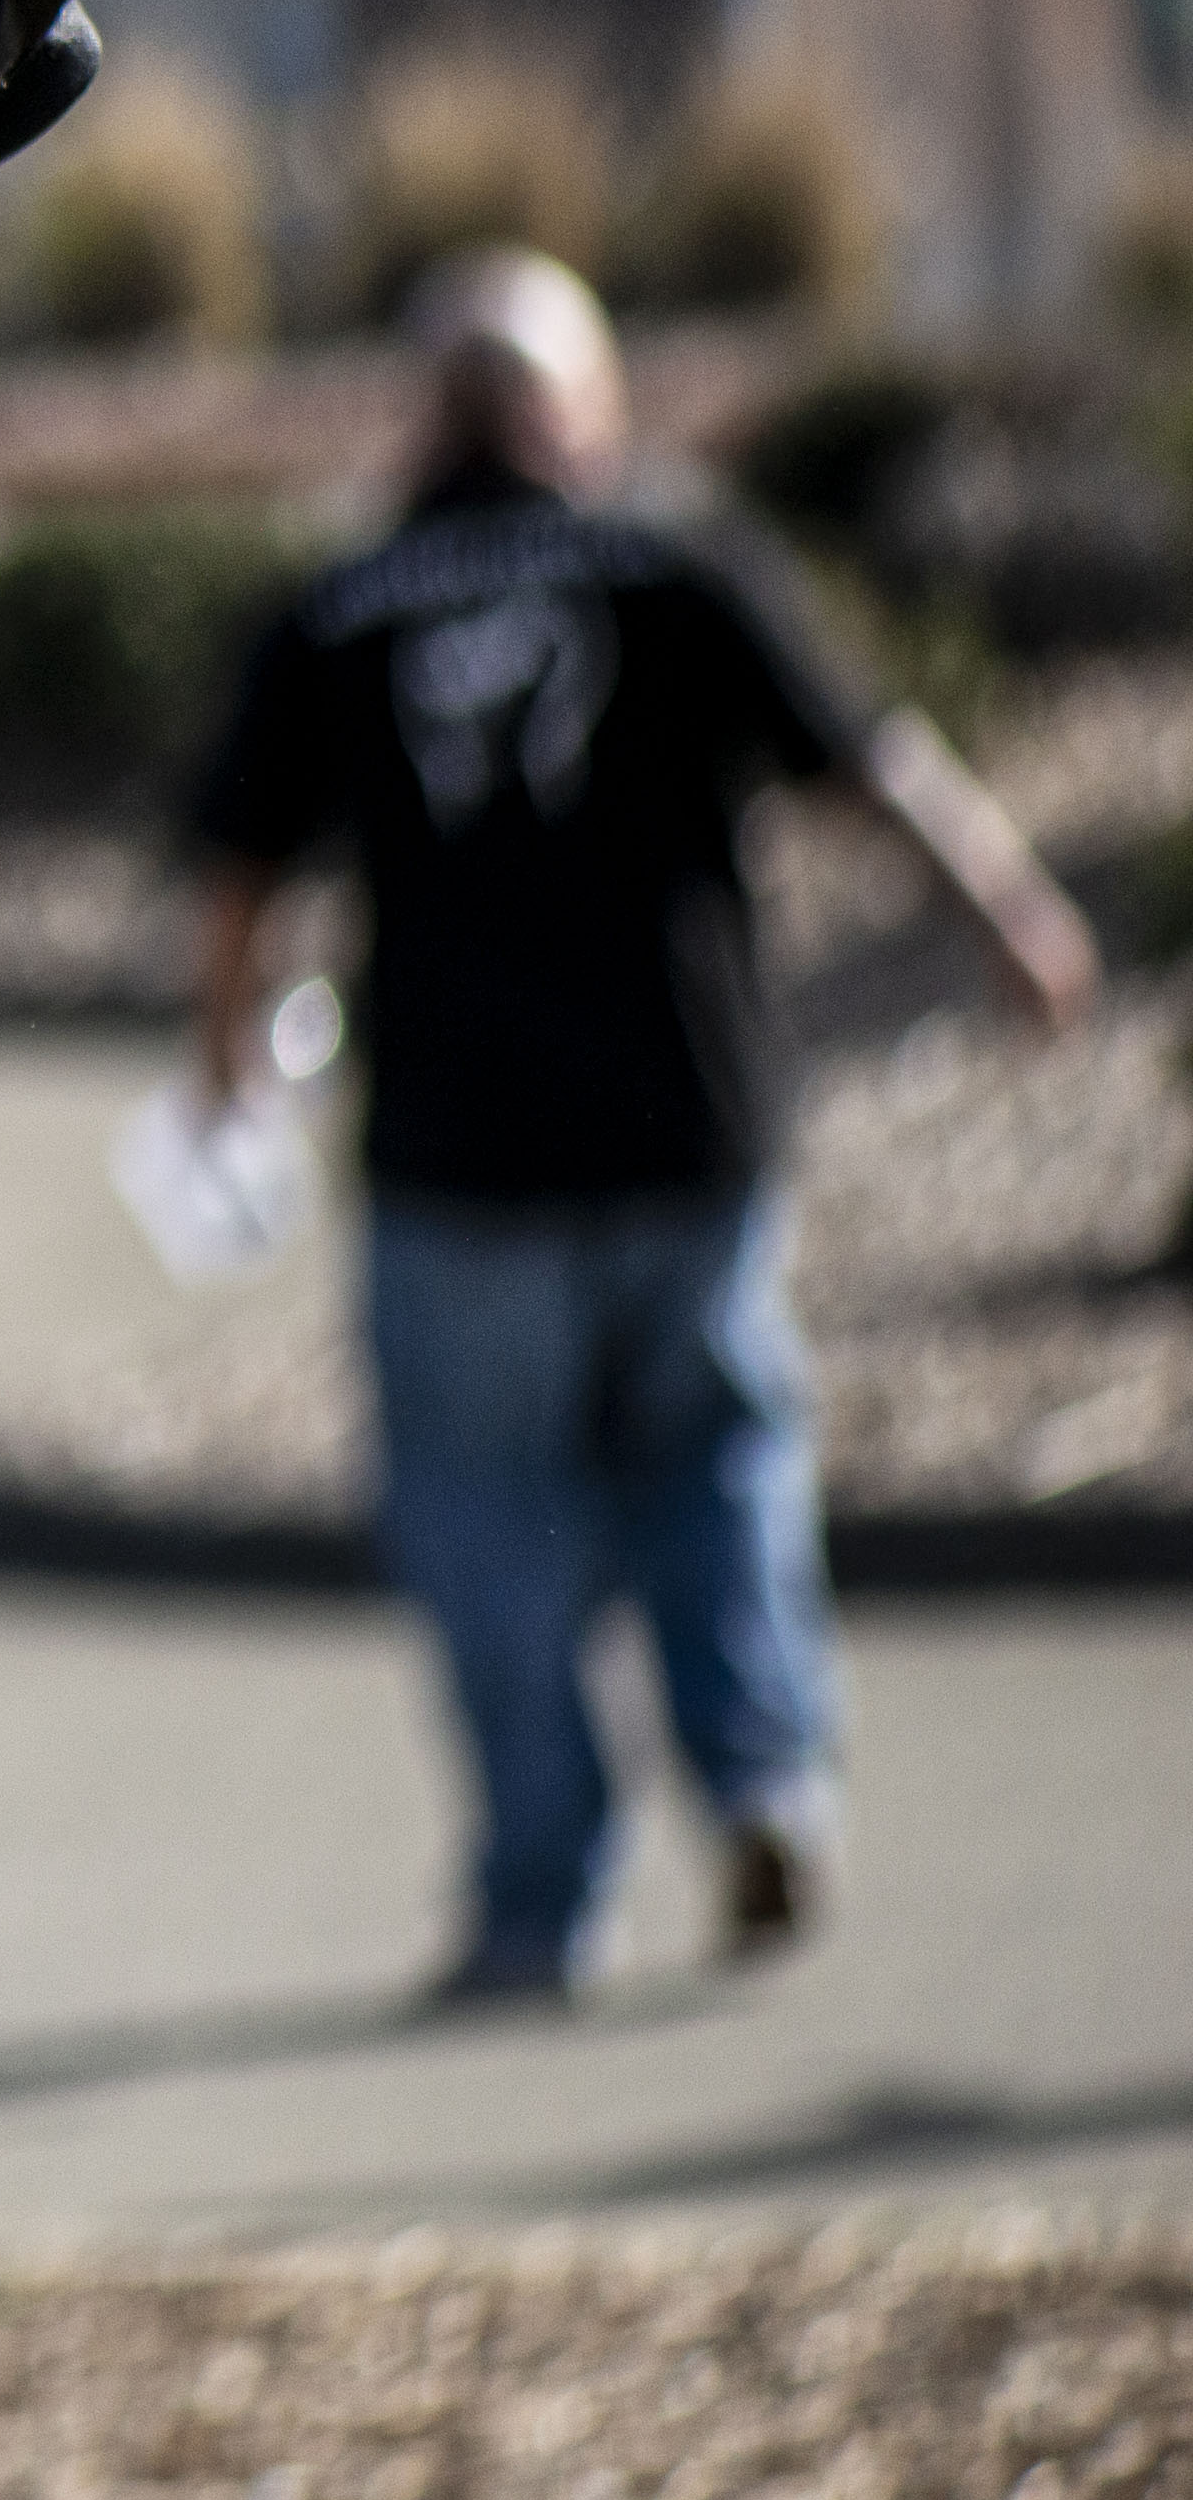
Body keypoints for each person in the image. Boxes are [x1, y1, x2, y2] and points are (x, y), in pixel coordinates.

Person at [176, 243, 1099, 2002]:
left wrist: (226, 1063)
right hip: (690, 1127)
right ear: (581, 413)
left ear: (427, 420)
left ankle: (541, 1901)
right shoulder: (679, 565)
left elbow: (242, 874)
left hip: (457, 1163)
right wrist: (1014, 912)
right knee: (722, 1462)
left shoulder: (341, 609)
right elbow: (877, 763)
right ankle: (761, 1784)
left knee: (488, 1525)